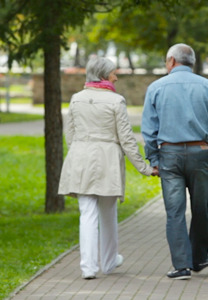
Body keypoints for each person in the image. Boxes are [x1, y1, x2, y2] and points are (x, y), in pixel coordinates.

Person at [58, 57, 158, 280]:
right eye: (113, 72)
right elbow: (126, 139)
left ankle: (88, 268)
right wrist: (144, 168)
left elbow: (70, 135)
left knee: (87, 214)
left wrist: (78, 153)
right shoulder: (116, 101)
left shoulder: (76, 99)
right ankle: (110, 262)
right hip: (107, 160)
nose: (116, 76)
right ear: (103, 75)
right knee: (108, 214)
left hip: (81, 157)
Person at [141, 43, 208, 280]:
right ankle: (199, 258)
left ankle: (181, 266)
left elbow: (149, 130)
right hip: (200, 154)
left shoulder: (156, 87)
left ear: (171, 61)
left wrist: (154, 159)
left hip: (169, 157)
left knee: (174, 212)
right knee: (201, 208)